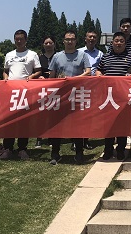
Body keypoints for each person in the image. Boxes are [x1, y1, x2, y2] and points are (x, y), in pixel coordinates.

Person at [97, 32, 131, 161]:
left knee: (123, 124)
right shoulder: (106, 57)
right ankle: (108, 149)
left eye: (121, 41)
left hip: (124, 96)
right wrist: (99, 75)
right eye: (116, 41)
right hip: (109, 97)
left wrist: (130, 76)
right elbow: (99, 70)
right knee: (109, 124)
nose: (118, 43)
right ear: (112, 43)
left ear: (125, 43)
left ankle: (121, 150)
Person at [48, 30, 92, 165]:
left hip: (77, 95)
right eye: (67, 39)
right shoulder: (57, 56)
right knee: (57, 125)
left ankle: (79, 153)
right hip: (60, 96)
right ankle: (55, 153)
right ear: (63, 41)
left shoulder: (82, 55)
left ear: (76, 41)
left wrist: (74, 79)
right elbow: (51, 76)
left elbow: (88, 72)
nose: (70, 41)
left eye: (72, 39)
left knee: (77, 125)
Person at [1, 29, 42, 160]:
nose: (19, 41)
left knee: (24, 120)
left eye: (21, 39)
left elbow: (39, 71)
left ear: (26, 40)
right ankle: (8, 148)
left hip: (26, 92)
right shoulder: (9, 55)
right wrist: (5, 79)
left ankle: (22, 148)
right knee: (9, 120)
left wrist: (31, 77)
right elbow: (5, 71)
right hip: (11, 92)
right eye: (16, 39)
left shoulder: (32, 54)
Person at [78, 30, 103, 150]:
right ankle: (76, 139)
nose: (92, 39)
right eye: (90, 37)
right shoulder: (79, 52)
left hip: (93, 86)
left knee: (89, 114)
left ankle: (86, 139)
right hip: (80, 85)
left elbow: (101, 68)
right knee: (78, 113)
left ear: (96, 40)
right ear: (85, 39)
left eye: (94, 37)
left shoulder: (100, 54)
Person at [36, 35, 56, 148]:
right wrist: (39, 77)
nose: (48, 45)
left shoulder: (58, 56)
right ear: (43, 45)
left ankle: (52, 137)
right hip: (42, 89)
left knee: (53, 113)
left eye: (50, 43)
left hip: (55, 89)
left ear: (54, 44)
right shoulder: (39, 58)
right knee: (41, 114)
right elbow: (36, 71)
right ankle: (39, 138)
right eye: (46, 43)